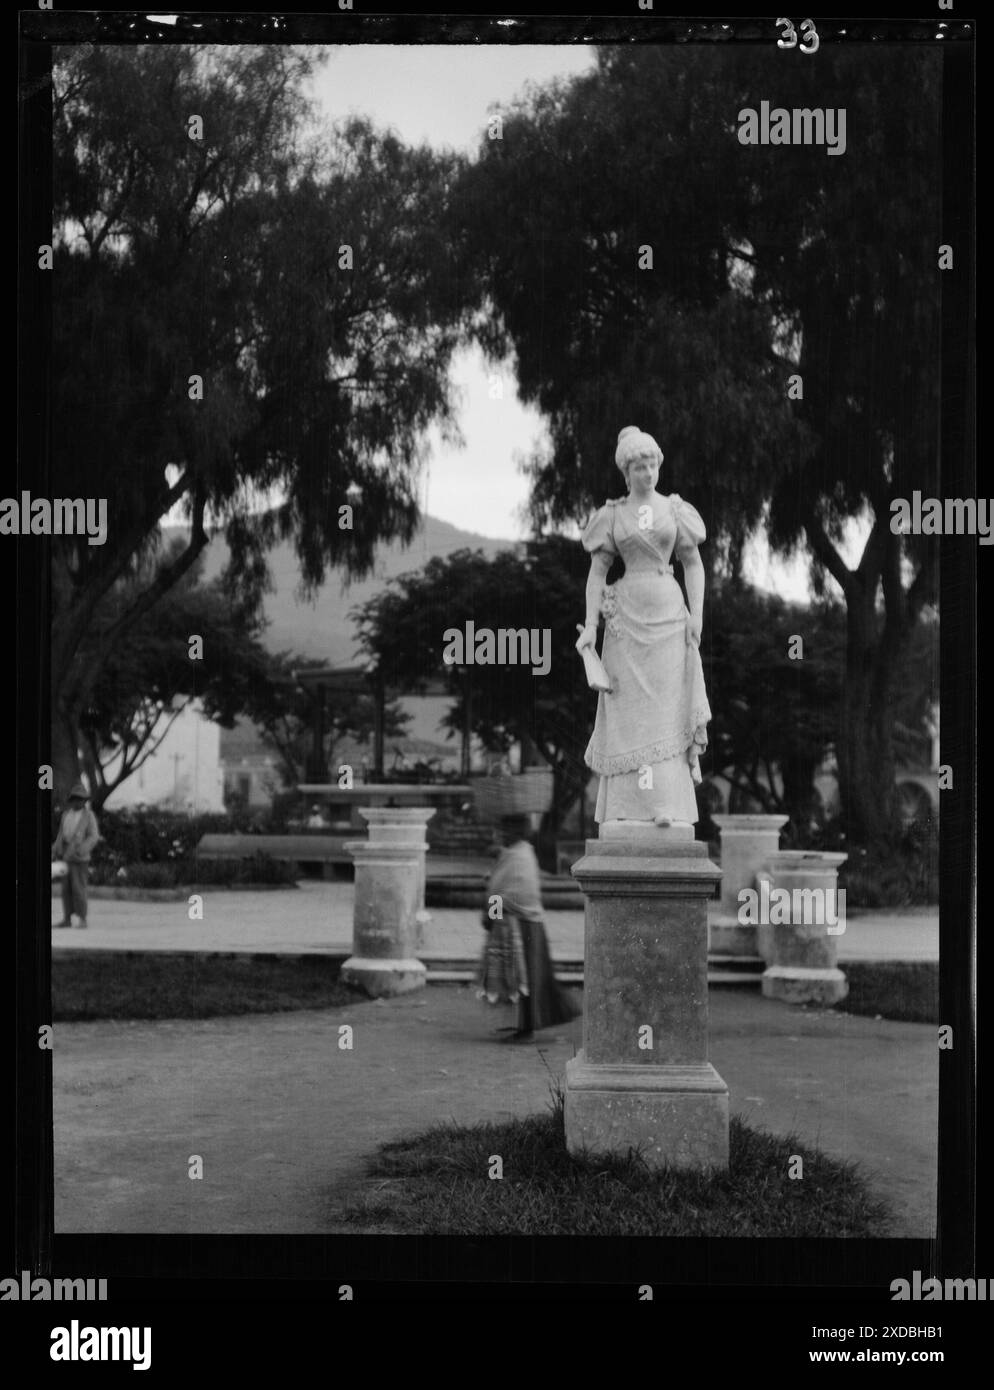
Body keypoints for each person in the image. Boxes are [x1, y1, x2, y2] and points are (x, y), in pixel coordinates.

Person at [575, 426, 712, 829]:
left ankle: (665, 805)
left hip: (669, 617)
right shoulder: (613, 515)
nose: (648, 473)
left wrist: (698, 614)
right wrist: (589, 625)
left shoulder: (674, 510)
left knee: (666, 712)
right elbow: (597, 573)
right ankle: (625, 808)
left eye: (652, 464)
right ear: (626, 471)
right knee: (631, 714)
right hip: (626, 622)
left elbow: (693, 562)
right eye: (639, 466)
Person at [476, 814, 580, 1042]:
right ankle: (525, 1025)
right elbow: (500, 886)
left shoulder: (519, 855)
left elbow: (512, 893)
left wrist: (491, 916)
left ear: (513, 832)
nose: (498, 836)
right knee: (524, 979)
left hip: (523, 927)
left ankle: (527, 1030)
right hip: (524, 924)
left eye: (503, 831)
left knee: (526, 980)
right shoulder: (518, 853)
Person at [52, 782, 100, 929]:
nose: (77, 801)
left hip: (80, 859)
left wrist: (82, 849)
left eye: (80, 799)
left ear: (84, 801)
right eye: (74, 798)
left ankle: (82, 919)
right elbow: (61, 835)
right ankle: (67, 918)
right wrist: (55, 849)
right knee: (66, 889)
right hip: (66, 856)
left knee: (79, 888)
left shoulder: (88, 815)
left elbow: (93, 836)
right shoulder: (66, 814)